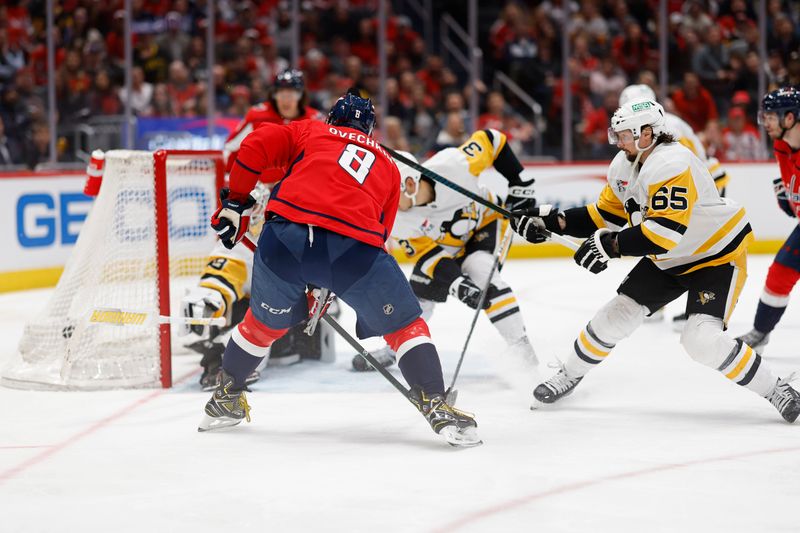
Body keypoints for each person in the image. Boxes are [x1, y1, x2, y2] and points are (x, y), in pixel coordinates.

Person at [197, 91, 481, 446]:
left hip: (283, 239)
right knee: (407, 327)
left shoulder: (311, 131)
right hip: (352, 250)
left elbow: (255, 144)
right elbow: (380, 234)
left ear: (332, 119)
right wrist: (330, 280)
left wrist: (236, 203)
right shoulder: (389, 167)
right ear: (371, 130)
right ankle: (435, 403)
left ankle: (224, 398)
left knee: (260, 325)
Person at [511, 98, 800, 423]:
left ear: (646, 134)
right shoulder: (624, 165)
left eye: (622, 134)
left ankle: (776, 388)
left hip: (715, 255)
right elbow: (603, 214)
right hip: (669, 259)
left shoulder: (672, 163)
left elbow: (664, 232)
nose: (615, 140)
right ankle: (569, 374)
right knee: (615, 315)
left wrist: (610, 245)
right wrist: (553, 222)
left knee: (701, 340)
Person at [180, 69, 328, 391]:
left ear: (302, 95)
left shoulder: (317, 122)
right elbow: (230, 153)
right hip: (257, 211)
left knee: (281, 310)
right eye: (282, 92)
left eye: (294, 92)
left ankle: (246, 345)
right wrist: (241, 195)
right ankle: (220, 342)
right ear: (274, 94)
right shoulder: (258, 118)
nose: (287, 97)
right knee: (223, 285)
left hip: (293, 222)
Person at [350, 130, 538, 375]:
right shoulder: (397, 221)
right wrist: (458, 284)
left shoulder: (453, 165)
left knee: (482, 273)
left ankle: (521, 348)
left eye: (390, 196)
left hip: (486, 224)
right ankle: (396, 349)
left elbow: (492, 140)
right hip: (446, 246)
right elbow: (430, 256)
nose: (386, 204)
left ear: (409, 184)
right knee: (414, 294)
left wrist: (518, 182)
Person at [619, 84, 730, 329]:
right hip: (698, 181)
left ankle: (701, 308)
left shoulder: (668, 129)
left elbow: (684, 165)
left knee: (684, 244)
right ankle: (663, 303)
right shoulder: (661, 125)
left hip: (700, 185)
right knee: (662, 239)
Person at [735, 87, 800, 353]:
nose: (765, 122)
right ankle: (761, 332)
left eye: (771, 116)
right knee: (779, 275)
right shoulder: (781, 145)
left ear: (790, 118)